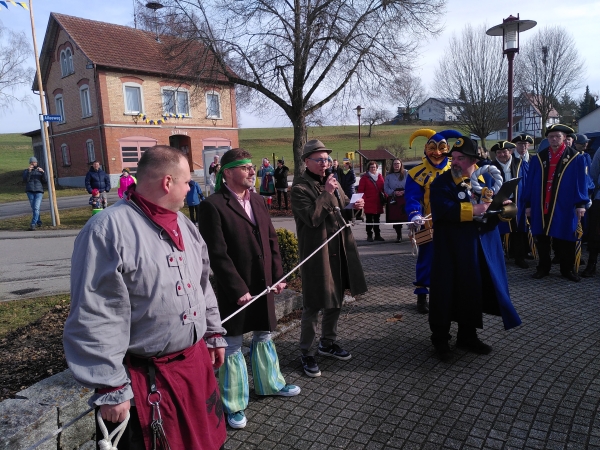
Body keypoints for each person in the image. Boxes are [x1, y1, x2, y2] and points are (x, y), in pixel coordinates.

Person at [64, 145, 227, 450]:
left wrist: (214, 332)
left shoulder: (186, 226)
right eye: (187, 182)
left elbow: (202, 284)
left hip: (193, 367)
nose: (190, 188)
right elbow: (96, 311)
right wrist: (111, 385)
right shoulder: (106, 230)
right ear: (168, 183)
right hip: (147, 381)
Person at [198, 148, 300, 430]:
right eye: (245, 167)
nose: (252, 171)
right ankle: (233, 404)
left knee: (265, 334)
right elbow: (216, 254)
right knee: (231, 344)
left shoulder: (257, 200)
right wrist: (236, 287)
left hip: (264, 283)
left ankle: (270, 384)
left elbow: (271, 241)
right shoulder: (213, 205)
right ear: (228, 172)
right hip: (236, 290)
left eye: (252, 166)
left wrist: (279, 275)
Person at [428, 136, 522, 361]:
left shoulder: (483, 183)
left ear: (474, 161)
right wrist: (477, 208)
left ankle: (467, 336)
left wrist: (503, 208)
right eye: (454, 158)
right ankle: (440, 340)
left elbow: (493, 216)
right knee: (445, 294)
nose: (456, 162)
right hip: (450, 250)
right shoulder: (442, 183)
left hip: (477, 249)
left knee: (472, 292)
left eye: (461, 158)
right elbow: (444, 211)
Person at [291, 139, 367, 378]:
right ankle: (306, 352)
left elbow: (343, 207)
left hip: (340, 248)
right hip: (317, 252)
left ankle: (327, 343)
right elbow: (312, 219)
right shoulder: (299, 189)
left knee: (336, 299)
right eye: (320, 160)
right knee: (314, 303)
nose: (325, 164)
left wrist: (357, 206)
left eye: (327, 160)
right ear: (307, 162)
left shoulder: (332, 182)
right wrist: (326, 193)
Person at [405, 128, 462, 314]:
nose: (437, 153)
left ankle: (451, 293)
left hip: (453, 222)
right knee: (426, 258)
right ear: (425, 149)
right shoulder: (416, 173)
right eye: (432, 148)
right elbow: (412, 198)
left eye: (441, 148)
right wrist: (414, 214)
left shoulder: (457, 168)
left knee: (453, 257)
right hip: (425, 223)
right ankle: (422, 295)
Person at [522, 124, 588, 282]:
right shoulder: (539, 157)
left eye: (557, 136)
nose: (554, 139)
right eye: (551, 136)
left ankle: (567, 270)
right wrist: (528, 204)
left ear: (565, 137)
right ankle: (543, 268)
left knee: (566, 238)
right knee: (542, 237)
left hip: (564, 205)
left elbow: (581, 182)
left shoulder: (576, 157)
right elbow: (530, 182)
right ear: (547, 138)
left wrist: (581, 204)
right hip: (541, 204)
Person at [489, 141, 530, 268]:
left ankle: (519, 257)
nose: (502, 154)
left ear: (510, 151)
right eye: (499, 152)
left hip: (517, 200)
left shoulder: (521, 164)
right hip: (498, 202)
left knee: (518, 229)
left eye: (504, 151)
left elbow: (528, 182)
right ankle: (499, 257)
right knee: (499, 230)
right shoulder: (490, 167)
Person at [357, 161, 386, 242]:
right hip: (369, 202)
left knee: (377, 220)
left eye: (374, 167)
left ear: (377, 168)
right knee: (369, 220)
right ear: (368, 168)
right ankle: (369, 235)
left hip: (378, 202)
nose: (373, 168)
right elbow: (361, 191)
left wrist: (385, 198)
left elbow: (383, 189)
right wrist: (365, 200)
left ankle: (377, 235)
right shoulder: (364, 178)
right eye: (371, 167)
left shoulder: (380, 177)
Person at [384, 158, 408, 242]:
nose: (396, 165)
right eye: (394, 164)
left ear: (401, 164)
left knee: (408, 216)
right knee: (396, 218)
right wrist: (394, 192)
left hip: (405, 197)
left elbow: (411, 184)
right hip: (394, 199)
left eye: (398, 163)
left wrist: (404, 192)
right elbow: (386, 188)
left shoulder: (406, 173)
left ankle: (412, 234)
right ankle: (399, 235)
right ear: (392, 165)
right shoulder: (389, 176)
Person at [22, 156, 46, 231]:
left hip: (39, 191)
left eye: (34, 162)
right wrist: (29, 172)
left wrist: (43, 172)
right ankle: (39, 222)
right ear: (30, 163)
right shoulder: (26, 171)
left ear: (36, 163)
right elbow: (26, 180)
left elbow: (45, 181)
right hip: (30, 191)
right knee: (34, 208)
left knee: (36, 207)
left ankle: (33, 224)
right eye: (32, 162)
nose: (33, 164)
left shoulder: (40, 171)